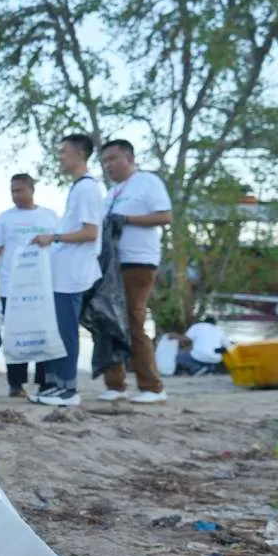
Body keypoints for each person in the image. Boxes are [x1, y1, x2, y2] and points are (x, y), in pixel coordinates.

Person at [29, 134, 104, 408]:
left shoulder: (87, 189)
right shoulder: (78, 188)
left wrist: (54, 238)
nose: (60, 157)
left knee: (67, 331)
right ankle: (56, 385)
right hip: (64, 273)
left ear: (80, 155)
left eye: (64, 152)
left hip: (74, 275)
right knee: (59, 330)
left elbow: (90, 232)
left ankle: (69, 389)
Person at [0, 173, 61, 398]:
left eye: (19, 190)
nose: (15, 195)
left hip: (42, 288)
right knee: (14, 334)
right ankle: (16, 384)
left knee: (43, 333)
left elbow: (60, 249)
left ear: (32, 189)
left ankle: (44, 381)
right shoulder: (5, 219)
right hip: (12, 287)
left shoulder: (50, 216)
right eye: (12, 191)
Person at [98, 139, 173, 404]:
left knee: (133, 321)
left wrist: (128, 220)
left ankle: (152, 387)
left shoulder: (148, 182)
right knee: (109, 321)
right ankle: (116, 384)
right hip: (111, 265)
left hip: (139, 262)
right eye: (104, 161)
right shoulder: (112, 192)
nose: (108, 165)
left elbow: (165, 217)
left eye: (113, 159)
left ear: (129, 159)